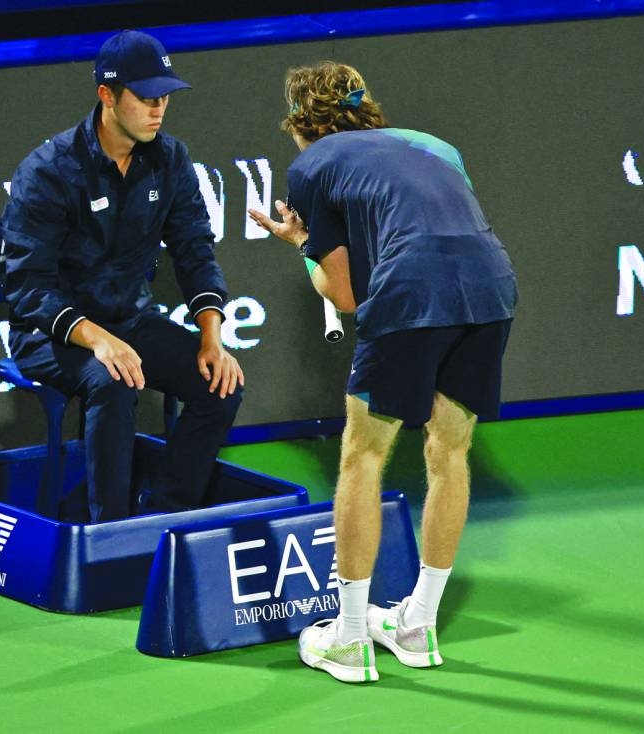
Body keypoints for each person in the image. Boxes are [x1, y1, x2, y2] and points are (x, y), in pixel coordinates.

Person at [249, 61, 517, 683]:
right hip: (492, 285)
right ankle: (417, 624)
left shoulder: (312, 165)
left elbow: (343, 294)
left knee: (362, 456)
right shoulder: (436, 147)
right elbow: (432, 230)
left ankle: (347, 639)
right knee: (449, 449)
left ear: (300, 123)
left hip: (415, 291)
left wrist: (300, 248)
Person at [1, 30, 244, 523]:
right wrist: (96, 340)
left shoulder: (170, 159)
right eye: (146, 97)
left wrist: (212, 338)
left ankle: (164, 516)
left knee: (221, 385)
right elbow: (28, 288)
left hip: (130, 321)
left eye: (165, 98)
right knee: (113, 381)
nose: (159, 109)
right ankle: (110, 533)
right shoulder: (47, 172)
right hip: (52, 335)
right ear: (107, 96)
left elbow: (194, 248)